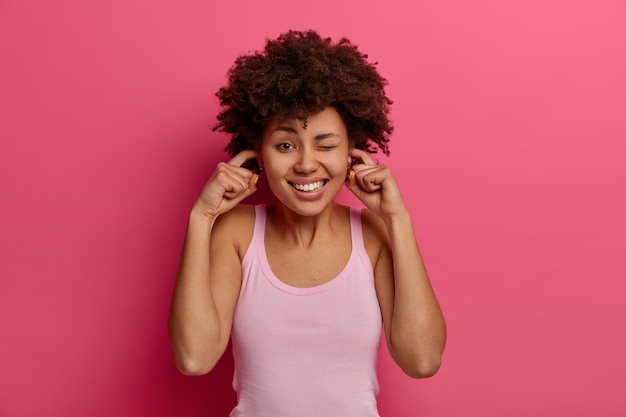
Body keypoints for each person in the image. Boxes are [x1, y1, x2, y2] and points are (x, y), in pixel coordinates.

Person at [168, 30, 446, 417]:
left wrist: (397, 219)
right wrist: (201, 218)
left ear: (352, 153)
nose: (305, 163)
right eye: (285, 145)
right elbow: (194, 359)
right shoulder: (236, 233)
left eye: (326, 144)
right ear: (258, 154)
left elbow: (423, 361)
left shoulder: (374, 234)